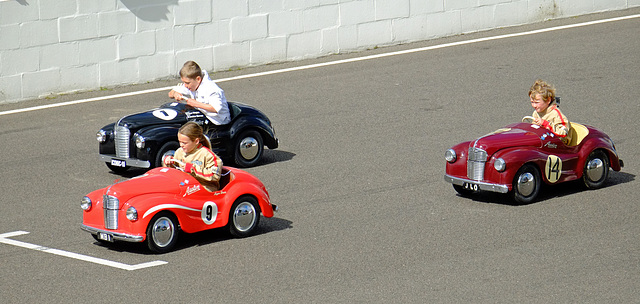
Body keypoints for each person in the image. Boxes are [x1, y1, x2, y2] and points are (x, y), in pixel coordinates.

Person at [163, 122, 223, 192]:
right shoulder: (179, 152)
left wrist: (192, 169)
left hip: (204, 188)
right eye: (180, 142)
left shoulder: (207, 155)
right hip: (185, 184)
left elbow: (214, 176)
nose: (181, 145)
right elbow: (174, 172)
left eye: (184, 143)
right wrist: (169, 163)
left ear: (196, 141)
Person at [168, 61, 231, 126]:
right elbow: (171, 93)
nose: (185, 85)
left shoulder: (212, 89)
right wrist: (175, 94)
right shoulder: (192, 84)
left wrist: (195, 104)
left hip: (217, 122)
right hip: (202, 115)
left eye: (187, 83)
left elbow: (216, 108)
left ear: (198, 79)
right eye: (184, 82)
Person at [528, 79, 572, 144]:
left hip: (558, 147)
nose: (534, 105)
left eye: (537, 102)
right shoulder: (536, 113)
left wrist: (546, 124)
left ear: (548, 100)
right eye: (532, 102)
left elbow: (563, 134)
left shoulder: (556, 114)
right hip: (543, 143)